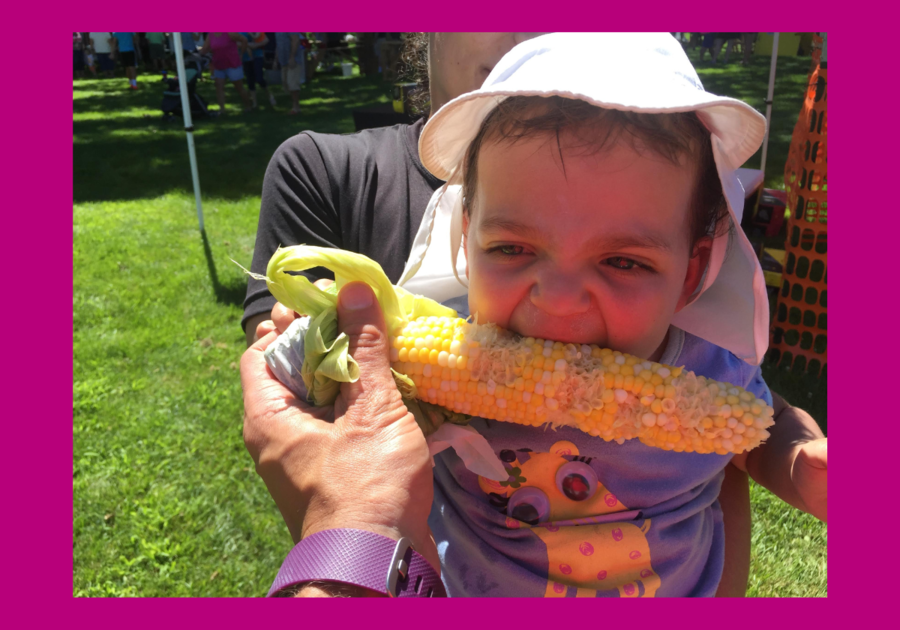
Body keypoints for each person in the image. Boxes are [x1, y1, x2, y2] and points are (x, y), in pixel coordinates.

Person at [241, 33, 825, 597]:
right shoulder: (437, 369)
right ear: (467, 242)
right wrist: (304, 355)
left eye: (622, 261)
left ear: (692, 274)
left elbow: (762, 423)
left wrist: (800, 464)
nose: (559, 297)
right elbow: (347, 421)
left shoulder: (706, 369)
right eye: (513, 249)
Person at [199, 33, 252, 114]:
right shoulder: (210, 35)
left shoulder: (229, 32)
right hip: (218, 65)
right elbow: (204, 49)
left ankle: (248, 106)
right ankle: (222, 110)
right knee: (219, 86)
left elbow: (244, 40)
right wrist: (194, 54)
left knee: (239, 87)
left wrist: (242, 54)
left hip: (232, 64)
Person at [241, 32, 277, 109]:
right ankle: (254, 103)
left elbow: (265, 40)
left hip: (257, 56)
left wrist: (256, 45)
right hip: (245, 57)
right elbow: (235, 41)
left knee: (259, 78)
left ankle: (269, 95)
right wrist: (246, 45)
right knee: (250, 80)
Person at [274, 33, 305, 115]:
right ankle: (295, 105)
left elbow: (295, 40)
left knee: (292, 84)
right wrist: (276, 60)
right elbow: (279, 45)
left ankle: (296, 108)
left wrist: (292, 57)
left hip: (293, 61)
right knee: (286, 83)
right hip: (283, 61)